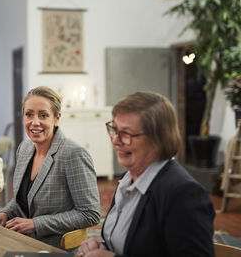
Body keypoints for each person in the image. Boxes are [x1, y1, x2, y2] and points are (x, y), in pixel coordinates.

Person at [76, 92, 215, 257]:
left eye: (126, 134)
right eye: (114, 129)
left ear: (158, 138)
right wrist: (102, 247)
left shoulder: (183, 194)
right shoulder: (127, 180)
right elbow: (132, 245)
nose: (115, 140)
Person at [0, 86, 100, 248]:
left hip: (54, 247)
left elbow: (90, 214)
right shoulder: (24, 149)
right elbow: (22, 199)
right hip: (21, 242)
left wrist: (35, 224)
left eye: (43, 115)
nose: (35, 122)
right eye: (29, 114)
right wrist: (5, 214)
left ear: (56, 118)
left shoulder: (73, 154)